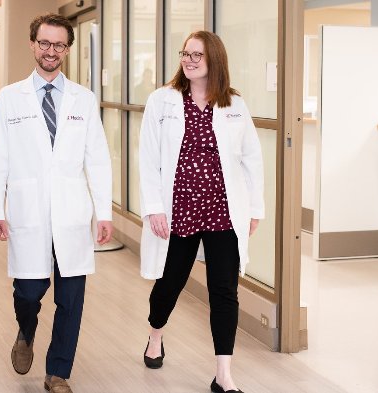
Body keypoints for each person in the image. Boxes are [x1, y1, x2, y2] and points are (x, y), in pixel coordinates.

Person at [0, 14, 113, 393]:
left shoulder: (83, 99)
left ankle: (58, 372)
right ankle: (26, 328)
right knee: (28, 291)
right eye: (44, 43)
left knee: (71, 299)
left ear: (67, 50)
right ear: (32, 44)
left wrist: (103, 212)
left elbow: (98, 159)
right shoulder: (10, 97)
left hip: (72, 213)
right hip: (29, 210)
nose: (50, 51)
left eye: (58, 45)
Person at [138, 31, 264, 393]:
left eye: (198, 55)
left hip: (222, 210)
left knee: (224, 290)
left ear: (215, 61)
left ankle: (223, 374)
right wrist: (153, 208)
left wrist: (254, 208)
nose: (189, 60)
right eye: (186, 53)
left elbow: (252, 159)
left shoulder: (234, 104)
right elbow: (147, 159)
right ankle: (155, 334)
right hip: (178, 210)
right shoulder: (162, 100)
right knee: (170, 284)